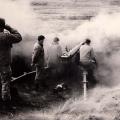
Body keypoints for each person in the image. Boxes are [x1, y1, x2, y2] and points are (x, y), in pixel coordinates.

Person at [0, 18, 22, 110]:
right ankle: (7, 105)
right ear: (3, 26)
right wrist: (9, 27)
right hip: (4, 64)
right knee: (5, 84)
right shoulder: (5, 36)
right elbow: (19, 37)